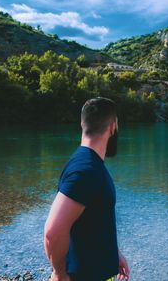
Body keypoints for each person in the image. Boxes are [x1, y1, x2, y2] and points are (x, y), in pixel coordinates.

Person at [44, 97, 130, 281]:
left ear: (82, 124)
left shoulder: (88, 164)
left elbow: (92, 220)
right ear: (113, 126)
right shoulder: (85, 170)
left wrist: (114, 253)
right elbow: (53, 231)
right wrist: (59, 274)